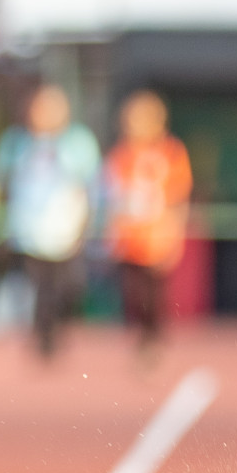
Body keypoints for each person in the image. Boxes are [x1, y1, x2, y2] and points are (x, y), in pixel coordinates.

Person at [0, 84, 102, 358]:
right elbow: (0, 181)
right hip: (29, 231)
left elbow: (93, 184)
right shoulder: (16, 143)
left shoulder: (78, 142)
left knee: (70, 286)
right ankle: (44, 339)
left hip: (67, 229)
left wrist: (89, 222)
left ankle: (57, 327)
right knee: (40, 288)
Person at [104, 89, 191, 357]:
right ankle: (142, 338)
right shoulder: (121, 155)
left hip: (157, 237)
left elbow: (178, 196)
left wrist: (175, 233)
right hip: (130, 237)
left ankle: (153, 340)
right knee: (133, 293)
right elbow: (112, 195)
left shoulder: (171, 152)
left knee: (155, 295)